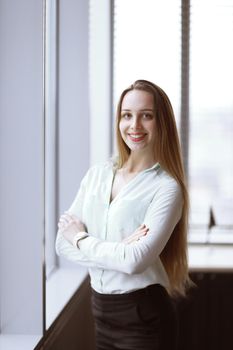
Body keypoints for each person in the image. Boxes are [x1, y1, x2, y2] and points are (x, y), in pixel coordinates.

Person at [55, 79, 192, 350]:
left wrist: (81, 238)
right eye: (127, 115)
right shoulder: (97, 174)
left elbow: (134, 262)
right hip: (102, 312)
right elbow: (61, 244)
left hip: (144, 317)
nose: (135, 125)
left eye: (147, 116)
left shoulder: (167, 188)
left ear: (161, 122)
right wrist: (118, 250)